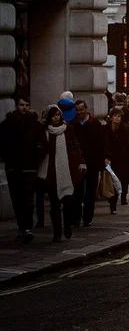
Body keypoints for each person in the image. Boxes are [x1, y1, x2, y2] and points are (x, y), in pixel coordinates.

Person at [0, 98, 46, 242]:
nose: (24, 108)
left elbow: (44, 145)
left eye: (26, 105)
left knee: (27, 199)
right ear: (17, 106)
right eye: (21, 105)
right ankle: (21, 227)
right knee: (16, 198)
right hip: (13, 167)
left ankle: (27, 227)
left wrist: (36, 157)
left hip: (29, 167)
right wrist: (6, 156)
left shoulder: (35, 124)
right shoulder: (8, 123)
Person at [38, 106, 84, 242]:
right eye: (53, 115)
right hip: (52, 172)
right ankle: (57, 233)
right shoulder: (45, 131)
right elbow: (42, 150)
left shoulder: (67, 129)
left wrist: (81, 161)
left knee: (68, 202)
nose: (56, 117)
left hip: (66, 170)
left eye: (58, 115)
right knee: (54, 205)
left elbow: (75, 147)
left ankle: (67, 226)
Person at [71, 100, 106, 228]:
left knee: (90, 193)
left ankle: (87, 219)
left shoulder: (94, 124)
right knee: (77, 192)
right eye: (77, 110)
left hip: (92, 163)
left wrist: (102, 163)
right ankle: (76, 219)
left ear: (86, 109)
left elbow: (101, 145)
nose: (79, 112)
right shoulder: (73, 124)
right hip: (78, 164)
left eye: (81, 109)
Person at [105, 107, 129, 213]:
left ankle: (123, 197)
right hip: (111, 159)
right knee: (113, 182)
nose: (117, 118)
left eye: (119, 116)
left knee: (123, 180)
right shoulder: (106, 129)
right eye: (115, 116)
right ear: (111, 117)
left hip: (123, 158)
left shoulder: (126, 129)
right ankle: (112, 203)